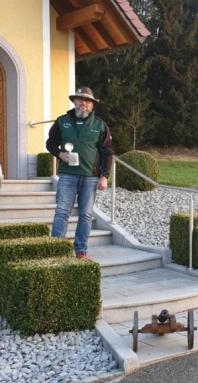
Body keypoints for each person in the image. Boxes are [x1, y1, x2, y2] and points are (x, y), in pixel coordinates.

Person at [45, 87, 113, 260]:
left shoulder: (100, 125)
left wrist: (105, 176)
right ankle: (56, 250)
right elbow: (50, 143)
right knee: (62, 211)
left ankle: (81, 251)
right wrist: (60, 154)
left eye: (87, 101)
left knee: (86, 214)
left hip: (90, 177)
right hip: (67, 175)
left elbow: (107, 152)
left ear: (92, 105)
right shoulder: (62, 121)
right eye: (80, 99)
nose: (83, 103)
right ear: (74, 101)